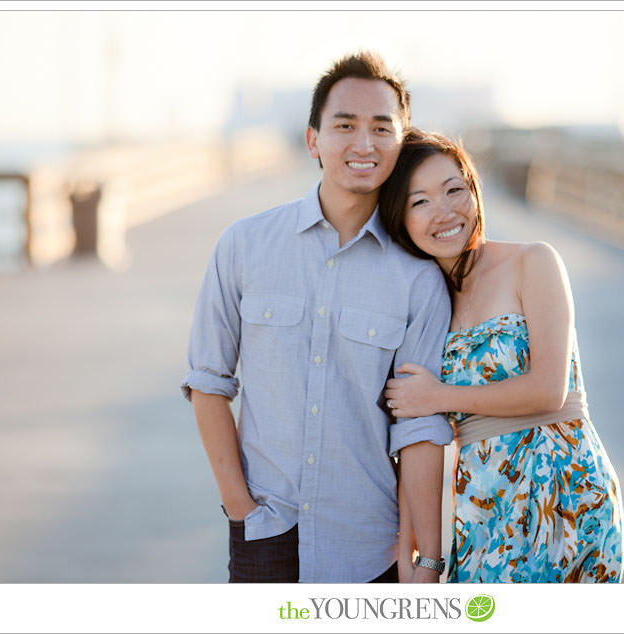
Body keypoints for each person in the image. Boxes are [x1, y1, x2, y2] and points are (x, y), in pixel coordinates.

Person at [181, 53, 453, 583]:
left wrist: (425, 555)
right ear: (313, 140)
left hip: (372, 546)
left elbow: (419, 427)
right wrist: (241, 510)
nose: (363, 143)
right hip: (265, 532)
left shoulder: (418, 279)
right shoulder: (244, 244)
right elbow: (208, 382)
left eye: (381, 128)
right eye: (344, 125)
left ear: (400, 143)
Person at [380, 130, 624, 583]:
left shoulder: (533, 262)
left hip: (566, 494)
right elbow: (414, 435)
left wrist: (440, 395)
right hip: (483, 506)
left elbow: (549, 390)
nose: (445, 211)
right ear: (400, 219)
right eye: (420, 202)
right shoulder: (424, 304)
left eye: (455, 190)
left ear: (474, 191)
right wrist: (415, 552)